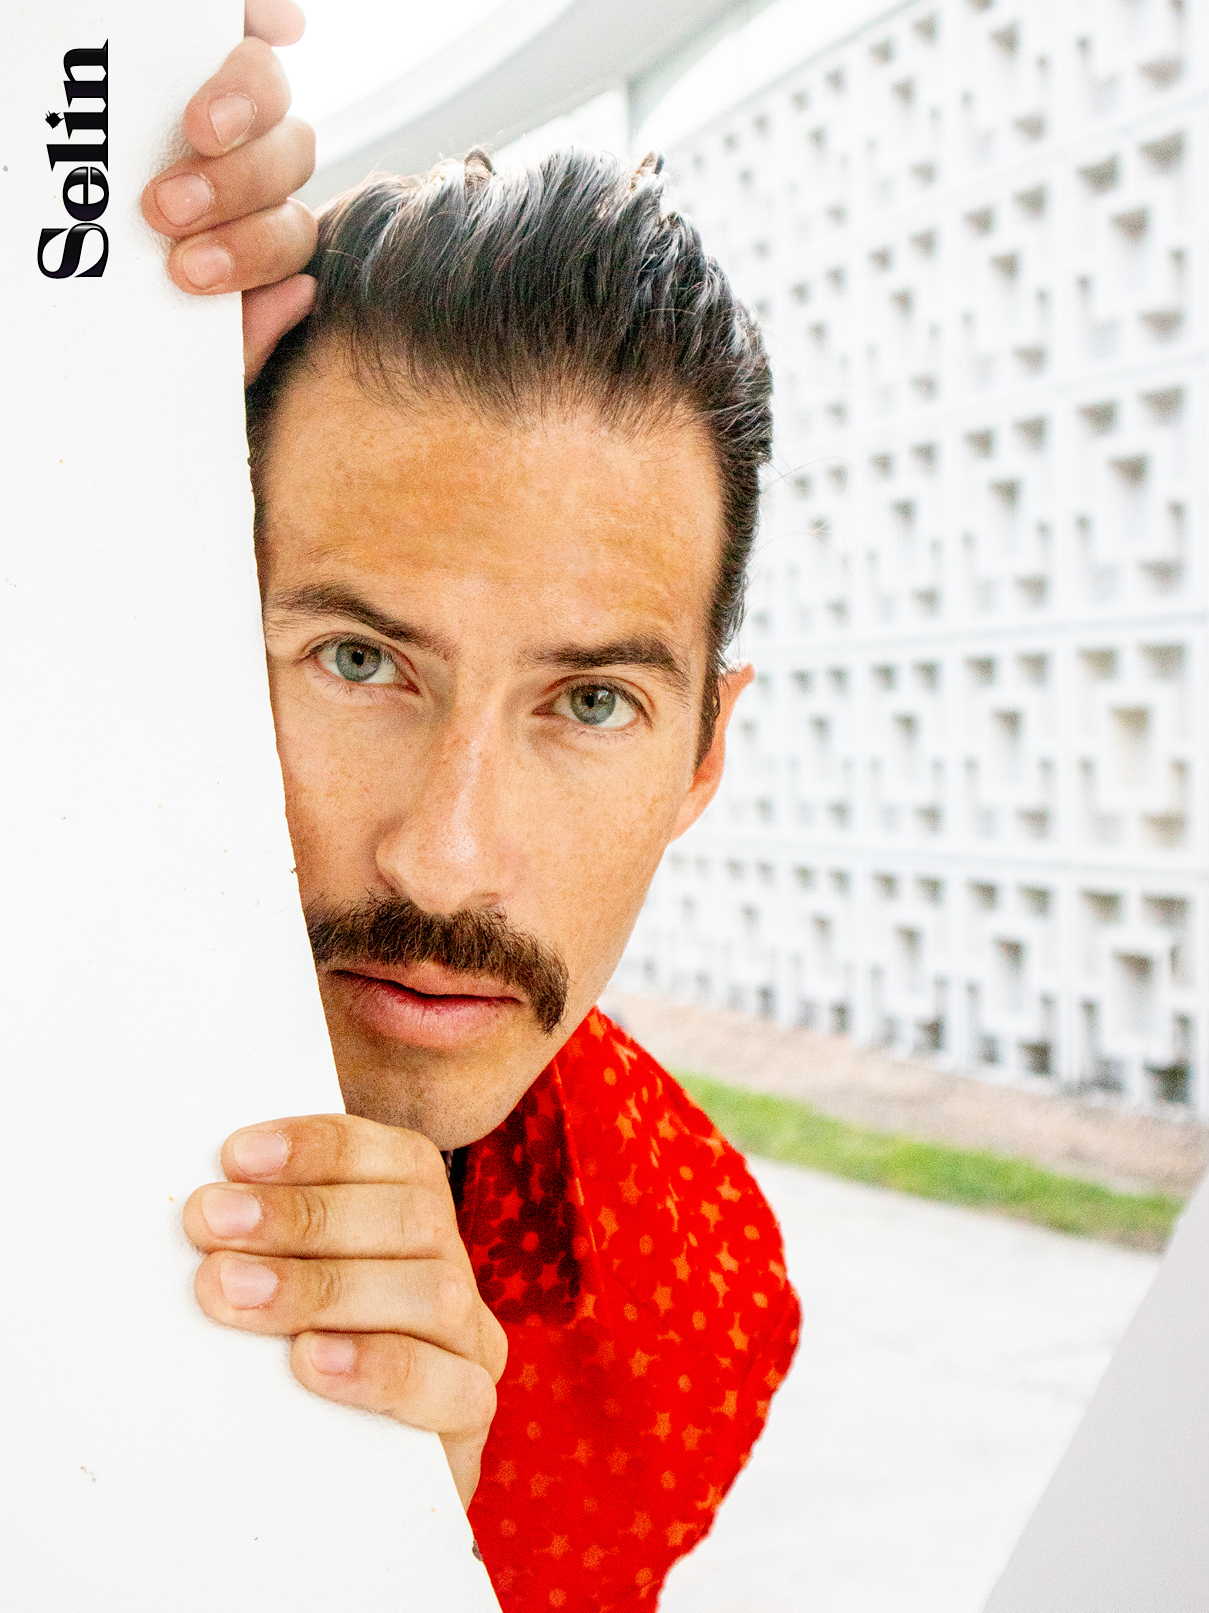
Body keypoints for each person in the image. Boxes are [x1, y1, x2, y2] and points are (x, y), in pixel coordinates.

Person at [145, 7, 799, 1608]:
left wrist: (381, 1568)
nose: (444, 857)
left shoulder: (687, 1286)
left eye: (591, 702)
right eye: (360, 660)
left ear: (701, 757)